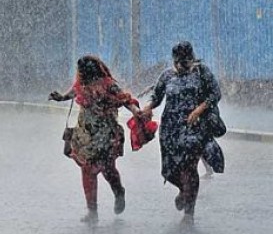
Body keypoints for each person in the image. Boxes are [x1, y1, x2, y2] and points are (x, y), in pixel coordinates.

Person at [50, 55, 142, 223]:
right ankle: (92, 211)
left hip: (105, 134)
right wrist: (61, 97)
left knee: (108, 168)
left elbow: (125, 99)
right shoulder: (81, 83)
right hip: (86, 135)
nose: (80, 75)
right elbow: (73, 92)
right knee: (87, 169)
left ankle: (118, 191)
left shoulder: (108, 84)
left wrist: (135, 110)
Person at [140, 41, 221, 224]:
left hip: (194, 128)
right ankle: (184, 191)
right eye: (178, 62)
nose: (181, 65)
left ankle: (189, 213)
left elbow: (215, 94)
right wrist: (148, 107)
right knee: (169, 170)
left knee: (189, 168)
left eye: (185, 61)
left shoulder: (202, 72)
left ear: (191, 58)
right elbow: (157, 95)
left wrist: (199, 110)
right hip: (170, 129)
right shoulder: (167, 75)